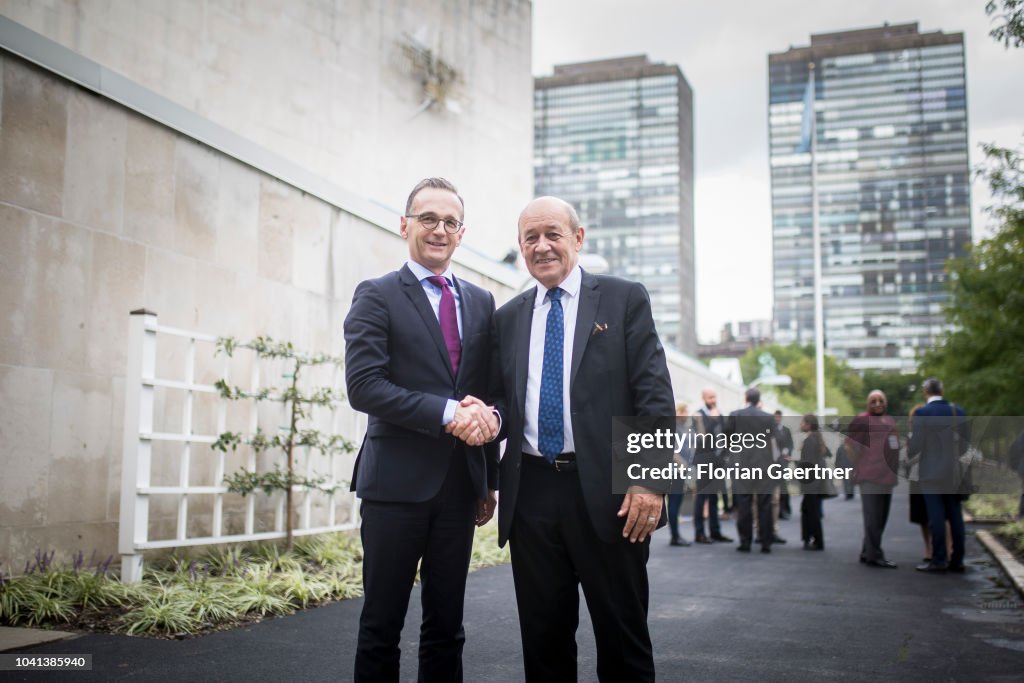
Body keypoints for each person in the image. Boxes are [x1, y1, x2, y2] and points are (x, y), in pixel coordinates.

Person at [481, 196, 675, 682]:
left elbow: (653, 394)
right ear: (520, 247)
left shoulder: (623, 298)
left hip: (612, 494)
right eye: (530, 238)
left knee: (622, 637)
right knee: (543, 642)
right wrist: (484, 481)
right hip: (532, 496)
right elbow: (494, 406)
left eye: (553, 234)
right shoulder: (507, 319)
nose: (542, 246)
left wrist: (649, 480)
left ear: (578, 238)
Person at [344, 177, 500, 681]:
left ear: (461, 233)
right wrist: (447, 413)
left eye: (450, 222)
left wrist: (487, 478)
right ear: (405, 224)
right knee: (382, 626)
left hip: (458, 490)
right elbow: (365, 386)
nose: (439, 230)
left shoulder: (480, 301)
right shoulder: (377, 295)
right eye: (428, 219)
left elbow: (488, 391)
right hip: (394, 488)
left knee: (447, 628)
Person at [908, 378, 969, 574]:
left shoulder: (922, 413)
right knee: (955, 516)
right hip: (953, 472)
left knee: (936, 517)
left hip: (931, 472)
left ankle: (939, 559)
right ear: (942, 391)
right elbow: (965, 445)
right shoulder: (956, 411)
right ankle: (957, 559)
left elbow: (915, 447)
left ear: (926, 391)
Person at [846, 390, 900, 568]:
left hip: (888, 477)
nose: (877, 404)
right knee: (872, 517)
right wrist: (859, 465)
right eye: (873, 401)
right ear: (867, 404)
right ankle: (875, 555)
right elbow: (850, 446)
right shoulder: (862, 420)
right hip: (870, 476)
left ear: (886, 402)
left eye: (881, 400)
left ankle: (867, 550)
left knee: (882, 517)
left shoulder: (890, 421)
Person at [728, 388, 776, 553]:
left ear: (746, 398)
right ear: (758, 399)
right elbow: (773, 441)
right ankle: (765, 541)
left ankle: (745, 541)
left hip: (742, 465)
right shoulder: (768, 418)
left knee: (744, 504)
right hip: (763, 465)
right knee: (764, 504)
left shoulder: (735, 415)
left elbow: (727, 438)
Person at [691, 389, 732, 544]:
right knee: (701, 498)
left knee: (715, 498)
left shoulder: (720, 414)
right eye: (710, 397)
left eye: (715, 396)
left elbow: (727, 436)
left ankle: (715, 532)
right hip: (703, 462)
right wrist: (713, 420)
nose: (713, 399)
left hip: (718, 462)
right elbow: (702, 438)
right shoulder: (698, 415)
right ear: (703, 398)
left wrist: (725, 456)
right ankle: (699, 533)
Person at [794, 413, 827, 550]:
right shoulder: (816, 440)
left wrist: (795, 462)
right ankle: (812, 538)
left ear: (808, 424)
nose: (801, 425)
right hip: (815, 482)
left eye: (802, 422)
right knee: (811, 510)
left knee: (810, 511)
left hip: (810, 482)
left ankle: (815, 539)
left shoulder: (809, 441)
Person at [667, 403, 693, 547]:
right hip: (674, 471)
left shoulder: (685, 428)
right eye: (683, 411)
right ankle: (675, 536)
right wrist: (682, 463)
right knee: (674, 503)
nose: (685, 413)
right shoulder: (672, 427)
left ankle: (676, 535)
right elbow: (670, 448)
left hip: (681, 471)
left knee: (676, 503)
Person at [775, 410, 794, 519]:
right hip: (774, 462)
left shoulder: (786, 430)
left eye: (778, 417)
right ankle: (778, 510)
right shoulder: (771, 430)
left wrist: (787, 452)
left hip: (783, 461)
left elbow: (790, 444)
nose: (777, 419)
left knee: (784, 486)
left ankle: (785, 508)